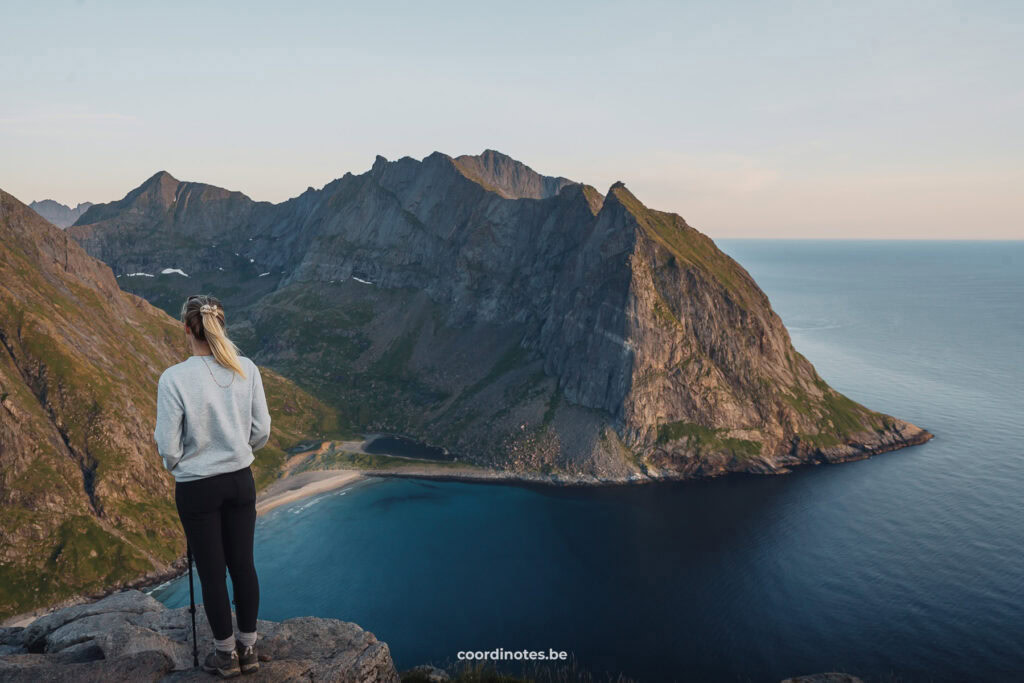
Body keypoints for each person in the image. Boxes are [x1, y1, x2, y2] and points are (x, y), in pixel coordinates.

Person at [154, 294, 271, 678]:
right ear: (223, 324)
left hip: (197, 487)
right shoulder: (246, 369)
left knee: (211, 572)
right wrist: (239, 451)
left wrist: (181, 464)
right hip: (240, 481)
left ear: (187, 329)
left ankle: (225, 656)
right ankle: (249, 648)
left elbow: (168, 446)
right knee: (243, 565)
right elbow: (262, 431)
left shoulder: (174, 378)